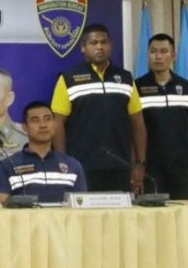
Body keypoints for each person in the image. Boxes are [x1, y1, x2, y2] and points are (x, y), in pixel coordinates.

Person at [51, 23, 147, 192]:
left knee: (120, 210)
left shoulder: (125, 78)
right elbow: (58, 124)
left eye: (104, 42)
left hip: (120, 164)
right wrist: (63, 161)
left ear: (110, 45)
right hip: (81, 165)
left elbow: (138, 123)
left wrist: (140, 162)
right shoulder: (68, 79)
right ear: (83, 47)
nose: (99, 47)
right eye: (93, 43)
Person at [0, 101, 87, 204]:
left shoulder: (73, 165)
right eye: (35, 120)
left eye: (47, 119)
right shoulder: (8, 165)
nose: (43, 125)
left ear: (55, 124)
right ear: (25, 127)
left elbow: (82, 204)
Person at [135, 33, 188, 199]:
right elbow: (133, 129)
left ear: (173, 56)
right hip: (151, 168)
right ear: (147, 55)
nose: (158, 57)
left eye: (164, 51)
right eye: (153, 51)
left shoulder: (185, 87)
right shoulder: (136, 88)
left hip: (183, 167)